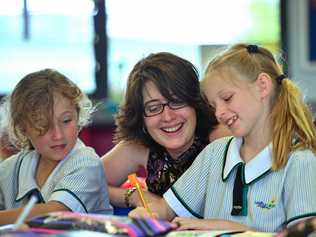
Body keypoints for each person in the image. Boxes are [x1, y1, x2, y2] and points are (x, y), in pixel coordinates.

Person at [129, 44, 316, 233]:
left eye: (227, 98)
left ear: (263, 86)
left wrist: (234, 229)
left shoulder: (300, 161)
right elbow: (166, 209)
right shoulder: (214, 153)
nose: (219, 113)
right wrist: (149, 213)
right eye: (213, 105)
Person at [102, 52, 231, 209]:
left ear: (196, 102)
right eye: (154, 108)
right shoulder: (139, 146)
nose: (168, 117)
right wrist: (135, 196)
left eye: (177, 102)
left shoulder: (221, 139)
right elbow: (82, 185)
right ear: (141, 117)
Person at [0, 69, 112, 225]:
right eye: (43, 125)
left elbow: (57, 213)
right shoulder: (9, 169)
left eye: (66, 121)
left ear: (78, 116)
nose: (58, 135)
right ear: (23, 128)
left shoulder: (87, 163)